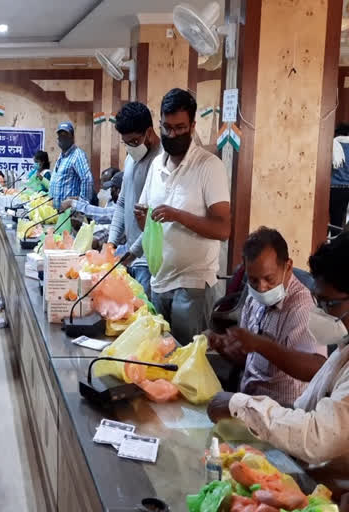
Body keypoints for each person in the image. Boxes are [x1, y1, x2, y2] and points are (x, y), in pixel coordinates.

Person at [208, 232, 349, 472]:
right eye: (319, 302)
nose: (321, 312)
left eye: (330, 304)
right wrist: (228, 349)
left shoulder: (299, 306)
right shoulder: (344, 348)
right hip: (279, 421)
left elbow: (317, 436)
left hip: (293, 432)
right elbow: (305, 409)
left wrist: (241, 405)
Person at [135, 88, 231, 346]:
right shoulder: (156, 165)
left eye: (179, 128)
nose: (172, 134)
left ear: (192, 126)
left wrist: (178, 215)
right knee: (159, 357)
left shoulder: (209, 167)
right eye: (167, 128)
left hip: (193, 283)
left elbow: (223, 229)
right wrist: (142, 218)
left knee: (186, 361)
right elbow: (149, 224)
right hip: (159, 280)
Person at [208, 227, 326, 406]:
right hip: (250, 400)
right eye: (253, 279)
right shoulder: (253, 296)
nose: (261, 287)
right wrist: (225, 347)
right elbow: (249, 361)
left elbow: (316, 369)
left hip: (283, 410)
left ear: (288, 267)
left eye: (269, 278)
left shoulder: (302, 307)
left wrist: (260, 344)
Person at [104, 101, 162, 297]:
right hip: (130, 255)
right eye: (126, 142)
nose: (130, 147)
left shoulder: (162, 161)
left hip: (148, 261)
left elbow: (157, 222)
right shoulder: (131, 157)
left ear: (149, 132)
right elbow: (122, 203)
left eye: (135, 141)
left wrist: (135, 252)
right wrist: (111, 242)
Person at [49, 121, 94, 210]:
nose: (62, 138)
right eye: (60, 135)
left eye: (65, 135)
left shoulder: (77, 155)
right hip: (57, 212)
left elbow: (87, 179)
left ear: (72, 138)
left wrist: (82, 203)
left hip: (70, 213)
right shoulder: (62, 156)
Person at [330, 123, 349, 232]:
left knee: (333, 222)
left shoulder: (333, 144)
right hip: (347, 189)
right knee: (341, 222)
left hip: (332, 188)